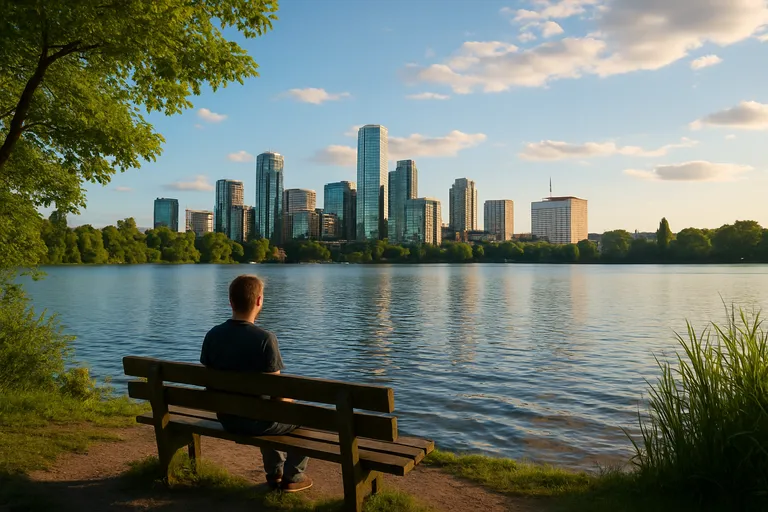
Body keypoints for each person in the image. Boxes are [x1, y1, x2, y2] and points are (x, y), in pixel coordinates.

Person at [200, 274, 312, 492]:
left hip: (227, 418)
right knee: (301, 415)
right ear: (259, 301)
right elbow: (277, 394)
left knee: (264, 409)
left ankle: (275, 473)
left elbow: (208, 380)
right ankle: (293, 477)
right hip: (256, 422)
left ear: (230, 301)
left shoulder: (213, 335)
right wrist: (293, 403)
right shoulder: (265, 339)